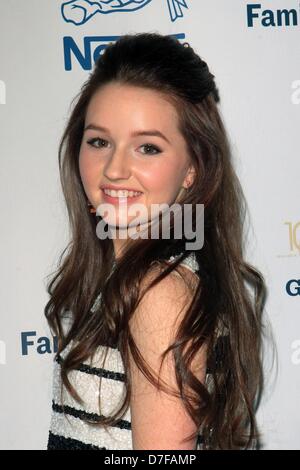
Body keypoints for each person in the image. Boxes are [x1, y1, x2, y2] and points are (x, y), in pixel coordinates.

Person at [45, 32, 273, 450]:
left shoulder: (158, 289)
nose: (114, 169)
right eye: (99, 141)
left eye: (147, 147)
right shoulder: (137, 276)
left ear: (192, 168)